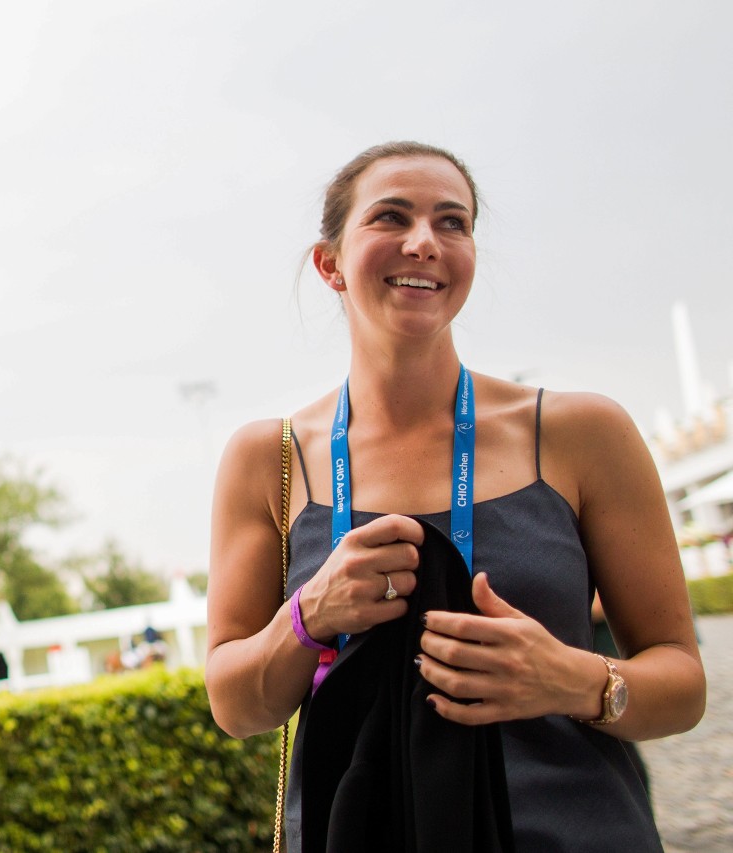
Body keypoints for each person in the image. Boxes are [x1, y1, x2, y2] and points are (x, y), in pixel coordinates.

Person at [204, 142, 705, 850]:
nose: (424, 242)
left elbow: (682, 683)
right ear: (331, 263)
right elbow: (234, 704)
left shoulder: (583, 432)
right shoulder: (270, 458)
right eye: (390, 217)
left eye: (453, 222)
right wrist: (310, 614)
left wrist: (572, 679)